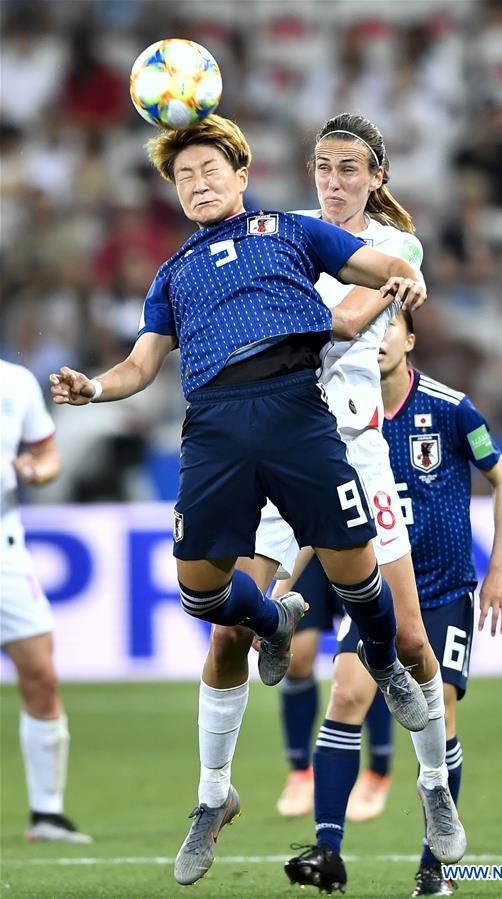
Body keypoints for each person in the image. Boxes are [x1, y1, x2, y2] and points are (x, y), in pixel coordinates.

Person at [48, 114, 428, 887]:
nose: (196, 182)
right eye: (182, 176)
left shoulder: (288, 233)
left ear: (243, 173)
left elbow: (366, 277)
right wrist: (93, 387)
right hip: (218, 430)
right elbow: (138, 363)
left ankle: (404, 718)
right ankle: (268, 636)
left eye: (208, 170)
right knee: (205, 604)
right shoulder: (174, 272)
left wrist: (395, 275)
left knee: (375, 600)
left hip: (312, 421)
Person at [194, 114, 466, 880]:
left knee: (412, 644)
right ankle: (215, 792)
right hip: (279, 450)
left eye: (349, 168)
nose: (333, 180)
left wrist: (266, 332)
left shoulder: (395, 246)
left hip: (352, 451)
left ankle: (433, 787)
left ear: (376, 177)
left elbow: (348, 320)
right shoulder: (287, 231)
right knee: (226, 631)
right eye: (321, 166)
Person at [285, 310, 502, 896]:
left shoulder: (450, 407)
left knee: (440, 716)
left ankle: (434, 870)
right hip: (375, 593)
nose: (380, 337)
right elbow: (320, 512)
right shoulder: (338, 416)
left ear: (409, 339)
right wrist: (286, 580)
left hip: (441, 593)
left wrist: (499, 570)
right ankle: (327, 848)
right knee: (344, 695)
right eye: (373, 327)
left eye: (391, 326)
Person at [0, 358, 91, 844]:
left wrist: (35, 471)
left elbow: (48, 455)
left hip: (5, 551)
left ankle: (47, 814)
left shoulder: (14, 382)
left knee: (41, 675)